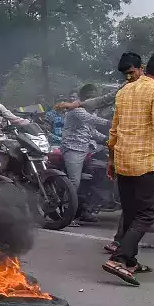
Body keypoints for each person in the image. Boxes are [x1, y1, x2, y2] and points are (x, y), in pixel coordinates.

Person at [102, 52, 154, 286]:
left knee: (129, 212)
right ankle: (118, 259)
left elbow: (113, 131)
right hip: (142, 162)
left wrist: (111, 160)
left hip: (122, 160)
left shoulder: (124, 91)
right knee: (146, 213)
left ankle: (130, 261)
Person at [60, 84, 110, 225]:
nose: (92, 100)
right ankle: (66, 215)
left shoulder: (90, 111)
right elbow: (93, 121)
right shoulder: (77, 110)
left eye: (94, 97)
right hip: (73, 148)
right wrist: (113, 123)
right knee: (74, 182)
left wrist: (107, 139)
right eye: (90, 97)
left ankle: (87, 210)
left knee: (97, 177)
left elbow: (92, 131)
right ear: (83, 98)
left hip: (88, 149)